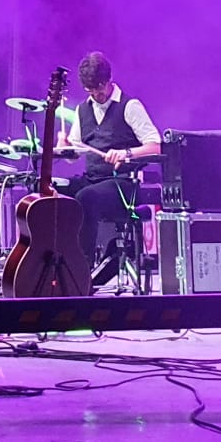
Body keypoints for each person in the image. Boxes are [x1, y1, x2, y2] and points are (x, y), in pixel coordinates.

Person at [53, 51, 162, 286]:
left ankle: (80, 275)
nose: (96, 95)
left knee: (86, 198)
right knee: (54, 194)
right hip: (93, 179)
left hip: (124, 184)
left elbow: (155, 146)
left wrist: (127, 153)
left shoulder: (129, 106)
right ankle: (56, 267)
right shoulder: (83, 110)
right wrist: (63, 147)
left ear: (109, 79)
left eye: (99, 89)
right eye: (90, 90)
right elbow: (75, 154)